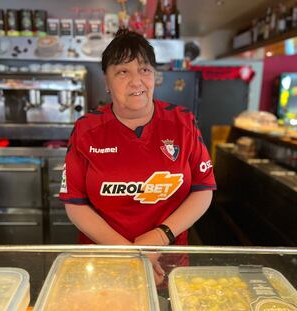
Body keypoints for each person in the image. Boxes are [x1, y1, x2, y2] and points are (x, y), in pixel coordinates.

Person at [59, 29, 216, 282]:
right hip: (104, 260)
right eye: (122, 71)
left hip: (167, 261)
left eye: (144, 70)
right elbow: (75, 205)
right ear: (107, 82)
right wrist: (131, 255)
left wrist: (159, 237)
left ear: (154, 76)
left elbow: (203, 190)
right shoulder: (86, 129)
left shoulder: (183, 122)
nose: (136, 81)